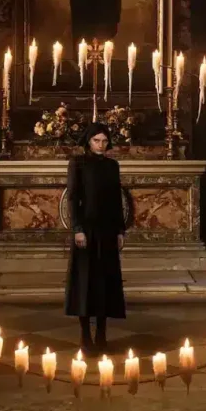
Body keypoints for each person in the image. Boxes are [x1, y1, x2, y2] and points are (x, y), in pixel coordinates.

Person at [64, 122, 127, 354]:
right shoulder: (77, 163)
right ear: (88, 142)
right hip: (86, 230)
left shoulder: (112, 166)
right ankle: (84, 335)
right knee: (85, 282)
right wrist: (77, 228)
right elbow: (73, 198)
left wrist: (120, 230)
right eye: (96, 140)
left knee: (105, 282)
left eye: (104, 141)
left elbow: (116, 200)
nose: (101, 145)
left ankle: (101, 334)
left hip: (108, 230)